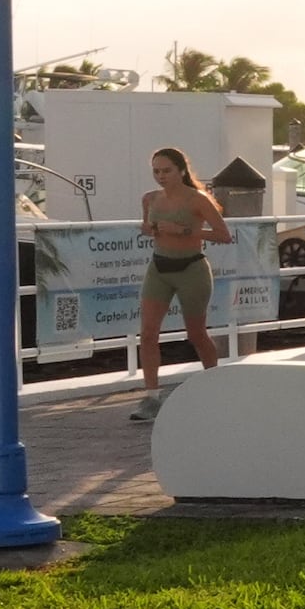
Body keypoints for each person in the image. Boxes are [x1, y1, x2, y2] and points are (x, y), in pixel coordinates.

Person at [132, 145, 228, 417]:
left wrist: (184, 231)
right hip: (159, 267)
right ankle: (151, 397)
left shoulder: (197, 199)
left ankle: (215, 383)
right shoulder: (150, 199)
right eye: (156, 171)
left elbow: (223, 234)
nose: (161, 176)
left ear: (182, 171)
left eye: (167, 171)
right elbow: (147, 228)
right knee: (148, 333)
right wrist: (148, 229)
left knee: (196, 333)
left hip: (191, 269)